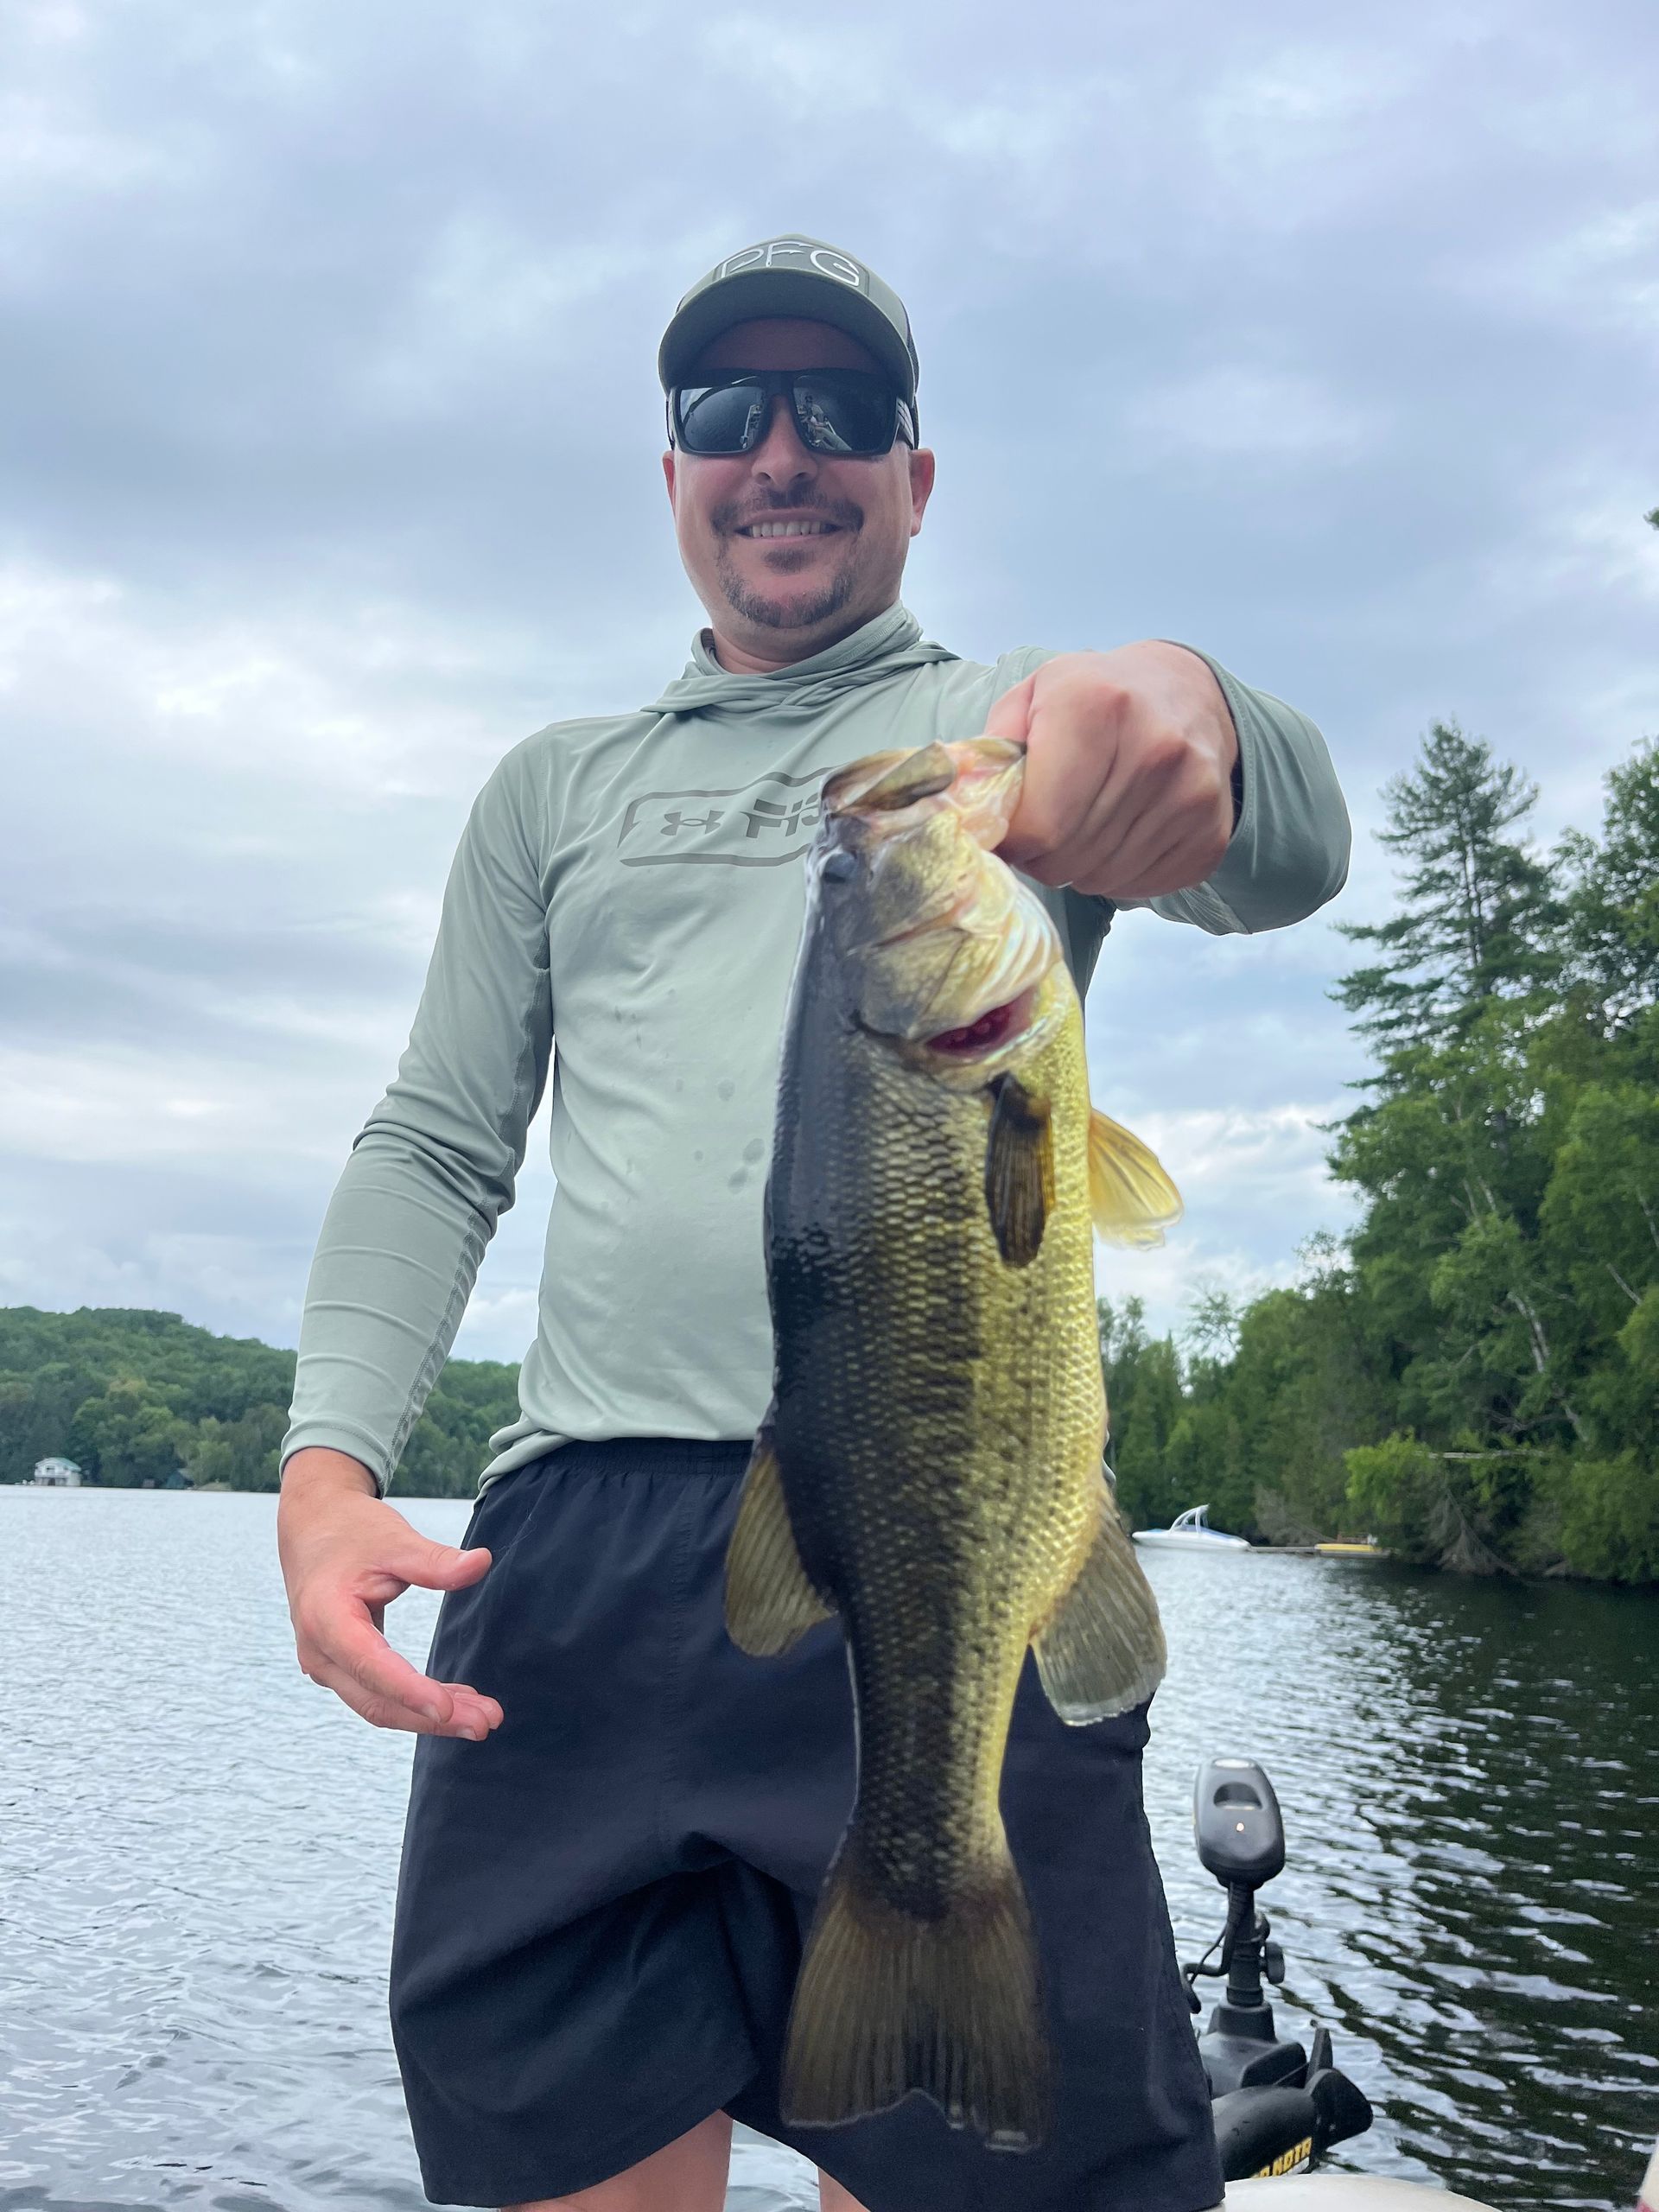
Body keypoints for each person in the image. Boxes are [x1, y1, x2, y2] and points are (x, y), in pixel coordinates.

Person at [276, 234, 1351, 2212]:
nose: (781, 450)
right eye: (726, 409)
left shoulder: (1006, 733)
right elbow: (435, 1140)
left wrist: (1191, 696)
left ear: (914, 477)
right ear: (673, 471)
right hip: (578, 1552)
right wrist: (327, 1472)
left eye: (841, 409)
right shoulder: (553, 787)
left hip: (955, 1527)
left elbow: (1286, 839)